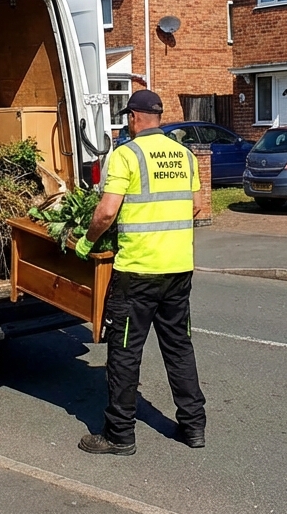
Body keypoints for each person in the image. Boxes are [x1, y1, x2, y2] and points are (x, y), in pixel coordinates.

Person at [76, 89, 207, 456]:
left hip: (138, 273)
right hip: (178, 269)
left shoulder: (126, 155)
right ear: (158, 117)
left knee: (125, 352)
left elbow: (105, 213)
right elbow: (196, 206)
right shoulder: (184, 155)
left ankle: (119, 435)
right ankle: (193, 426)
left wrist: (87, 242)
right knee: (179, 347)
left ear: (133, 117)